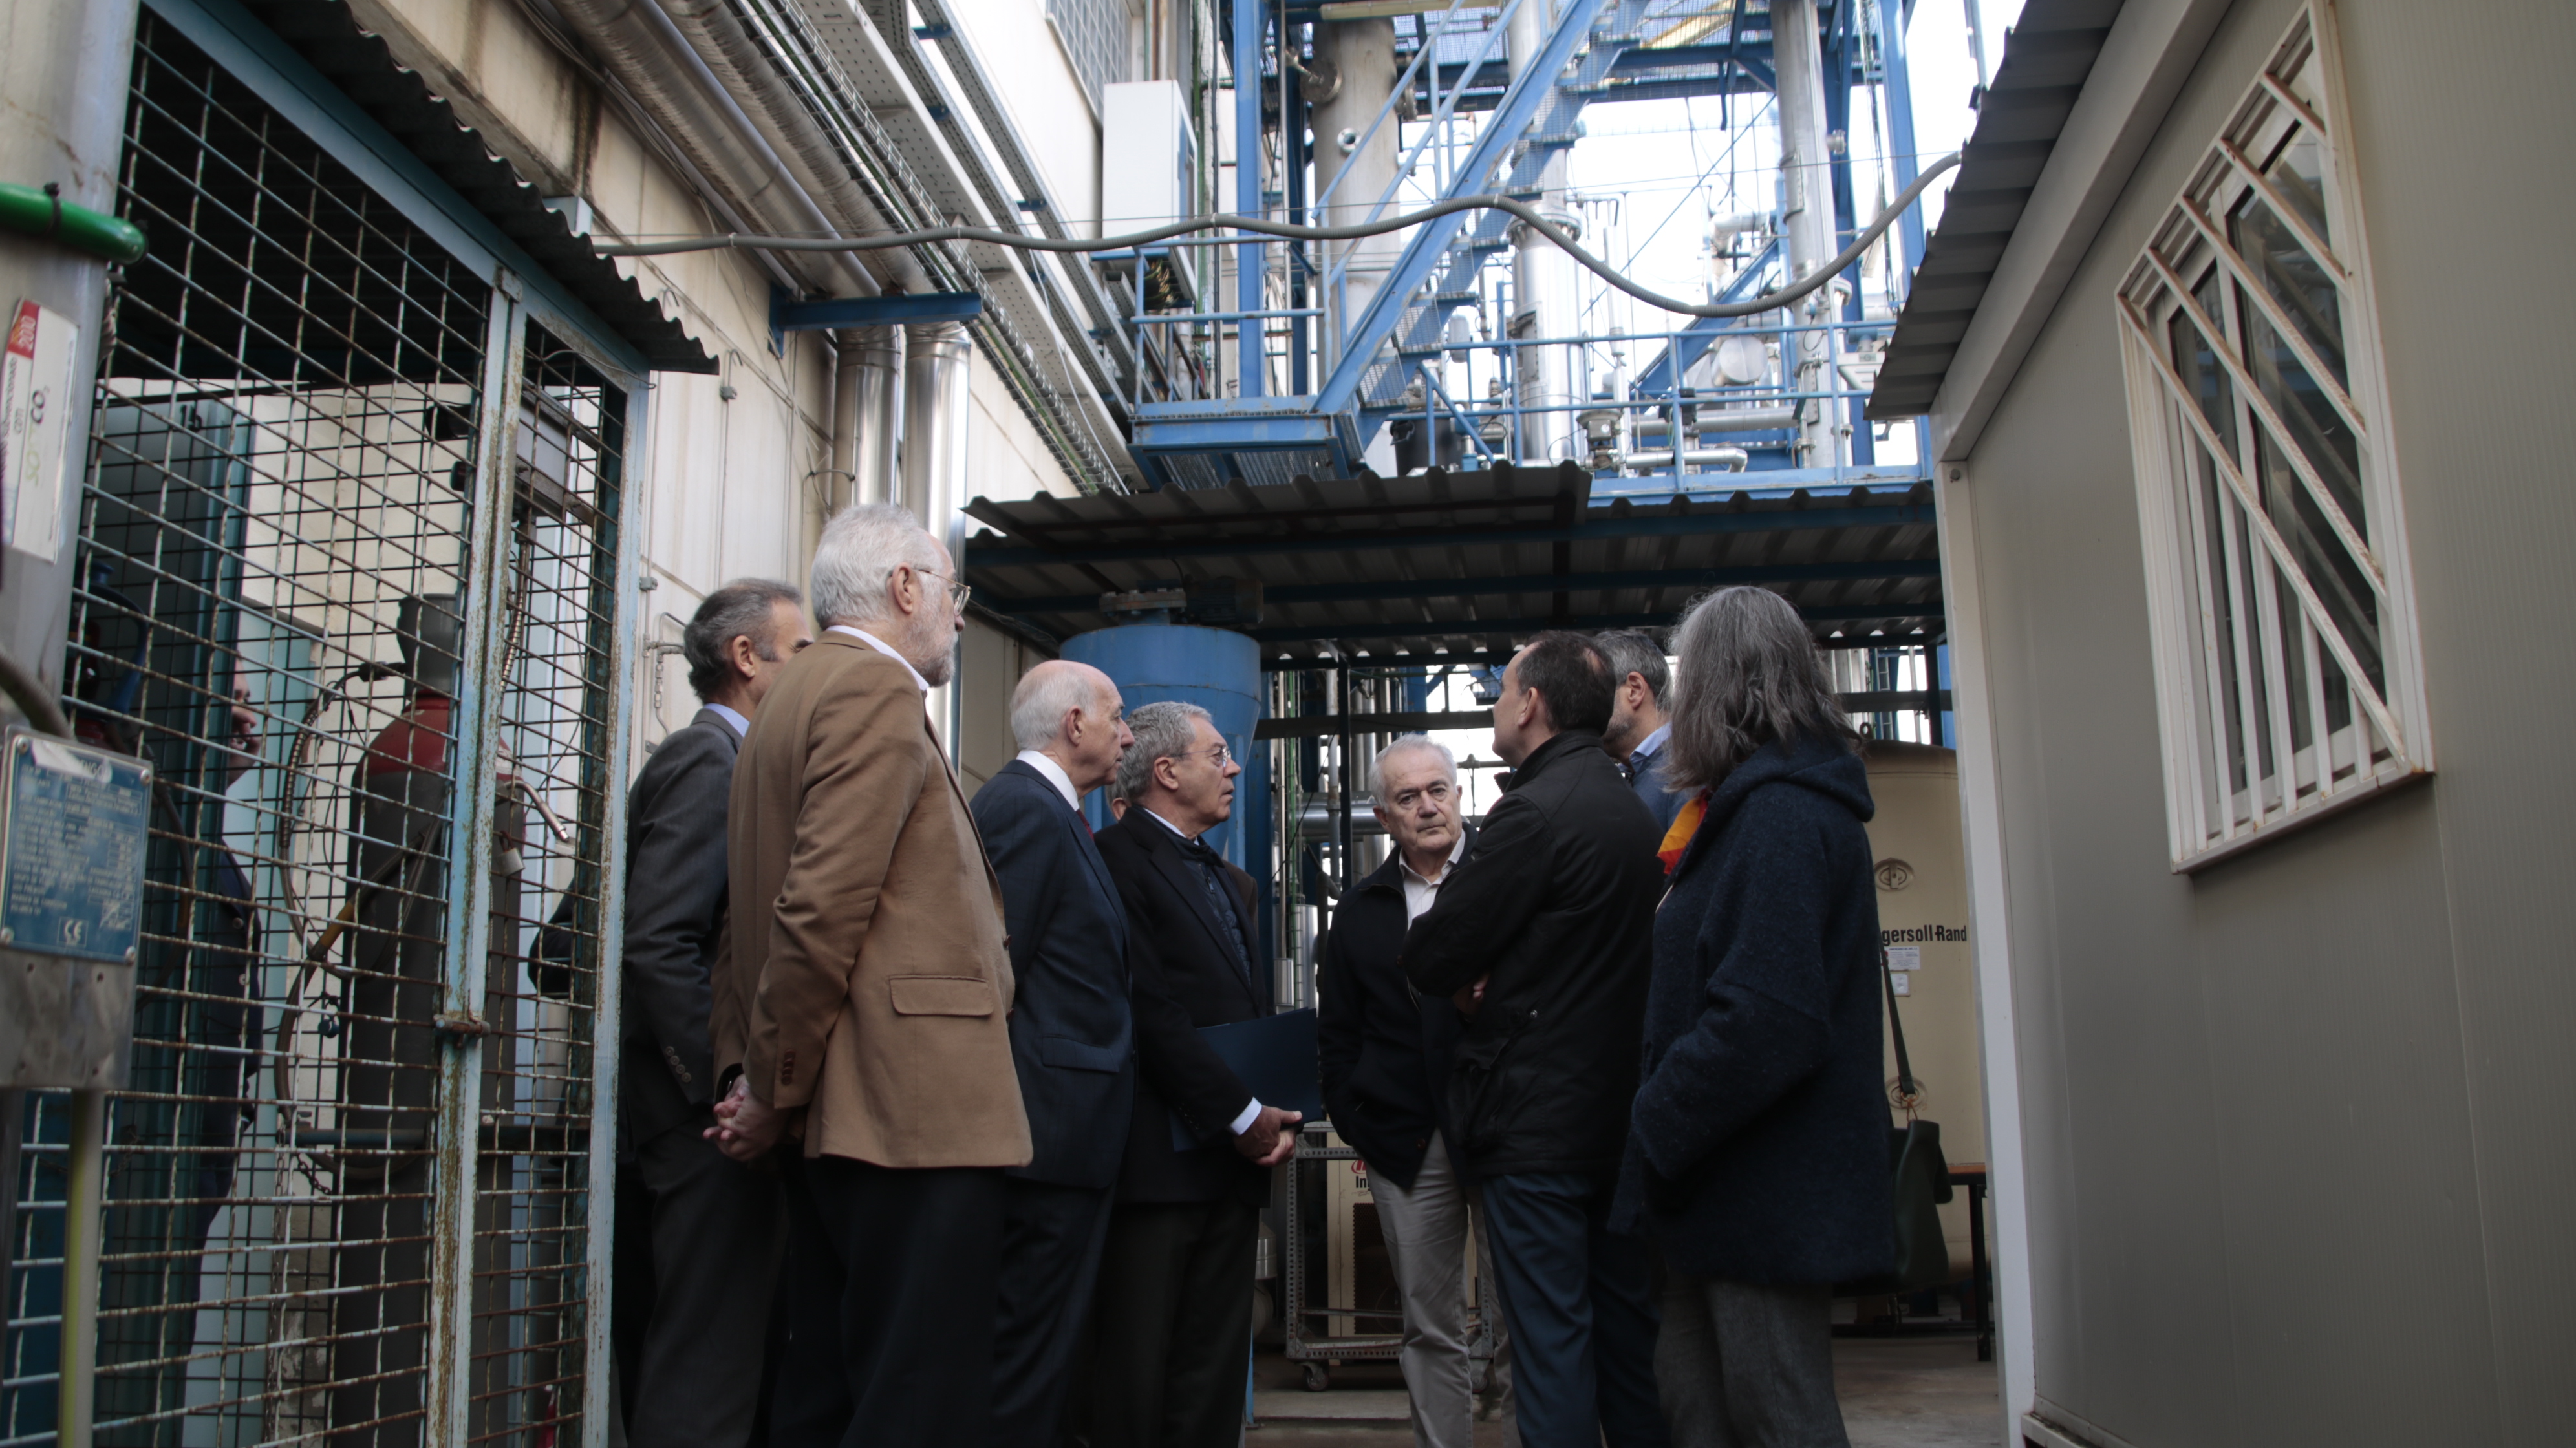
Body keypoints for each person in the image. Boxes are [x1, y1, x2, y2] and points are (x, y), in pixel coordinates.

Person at [705, 503, 1032, 1448]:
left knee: (831, 1390)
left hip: (850, 1118)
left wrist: (755, 1074)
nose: (959, 617)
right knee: (920, 1400)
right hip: (910, 1118)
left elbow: (746, 918)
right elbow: (817, 910)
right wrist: (770, 1086)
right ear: (904, 589)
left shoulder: (787, 700)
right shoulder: (874, 691)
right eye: (953, 593)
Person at [1614, 588, 1891, 1448]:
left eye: (1690, 677)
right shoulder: (1746, 809)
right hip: (1718, 1190)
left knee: (1778, 1418)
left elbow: (1768, 1018)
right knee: (1702, 1413)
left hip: (1764, 1195)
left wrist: (1653, 1119)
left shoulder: (1782, 815)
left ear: (1724, 686)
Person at [1401, 632, 1668, 1448]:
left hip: (1537, 1126)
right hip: (1617, 1118)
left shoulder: (1534, 812)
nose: (1494, 704)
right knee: (1627, 1349)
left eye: (1502, 689)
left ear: (1532, 705)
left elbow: (1432, 952)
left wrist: (1477, 971)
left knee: (1552, 1353)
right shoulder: (1628, 806)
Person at [616, 579, 810, 1448]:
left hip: (719, 1122)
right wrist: (728, 1086)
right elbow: (660, 942)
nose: (811, 670)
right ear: (745, 658)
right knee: (707, 1370)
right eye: (798, 652)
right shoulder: (709, 763)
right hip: (703, 1125)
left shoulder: (745, 766)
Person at [1086, 701, 1300, 1448]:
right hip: (1158, 1167)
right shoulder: (1115, 860)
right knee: (1139, 1370)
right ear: (1167, 771)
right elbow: (1149, 1008)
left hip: (1229, 1168)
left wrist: (1270, 1108)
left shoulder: (1225, 876)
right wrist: (1242, 1114)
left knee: (1211, 1371)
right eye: (1217, 754)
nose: (1234, 766)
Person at [1317, 737, 1514, 1448]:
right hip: (1407, 1142)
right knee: (1430, 1327)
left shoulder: (1507, 878)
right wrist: (1358, 1117)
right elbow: (1338, 1032)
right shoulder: (1361, 910)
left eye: (1438, 790)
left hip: (1506, 1132)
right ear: (1383, 816)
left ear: (1459, 795)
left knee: (1525, 1318)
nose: (1428, 807)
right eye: (1408, 797)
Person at [970, 661, 1138, 1448]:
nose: (1128, 734)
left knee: (1047, 1356)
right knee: (1023, 1360)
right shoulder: (1023, 808)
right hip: (1044, 1138)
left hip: (1066, 1136)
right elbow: (994, 974)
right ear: (1075, 724)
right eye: (1117, 716)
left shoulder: (1054, 810)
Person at [1596, 630, 1682, 829]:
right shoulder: (1639, 772)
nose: (1581, 710)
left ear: (1634, 690)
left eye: (1593, 694)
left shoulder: (1689, 774)